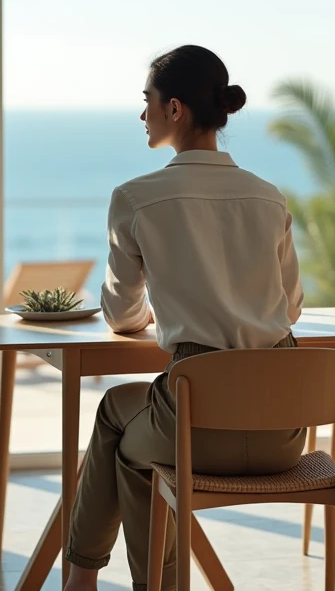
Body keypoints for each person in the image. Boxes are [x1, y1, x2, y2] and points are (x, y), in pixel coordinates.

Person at [63, 45, 306, 591]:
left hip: (196, 427)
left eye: (146, 101)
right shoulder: (269, 198)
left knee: (118, 424)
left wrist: (168, 308)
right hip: (282, 431)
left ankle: (86, 581)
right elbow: (290, 309)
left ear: (175, 109)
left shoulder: (135, 198)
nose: (141, 113)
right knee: (131, 439)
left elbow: (122, 316)